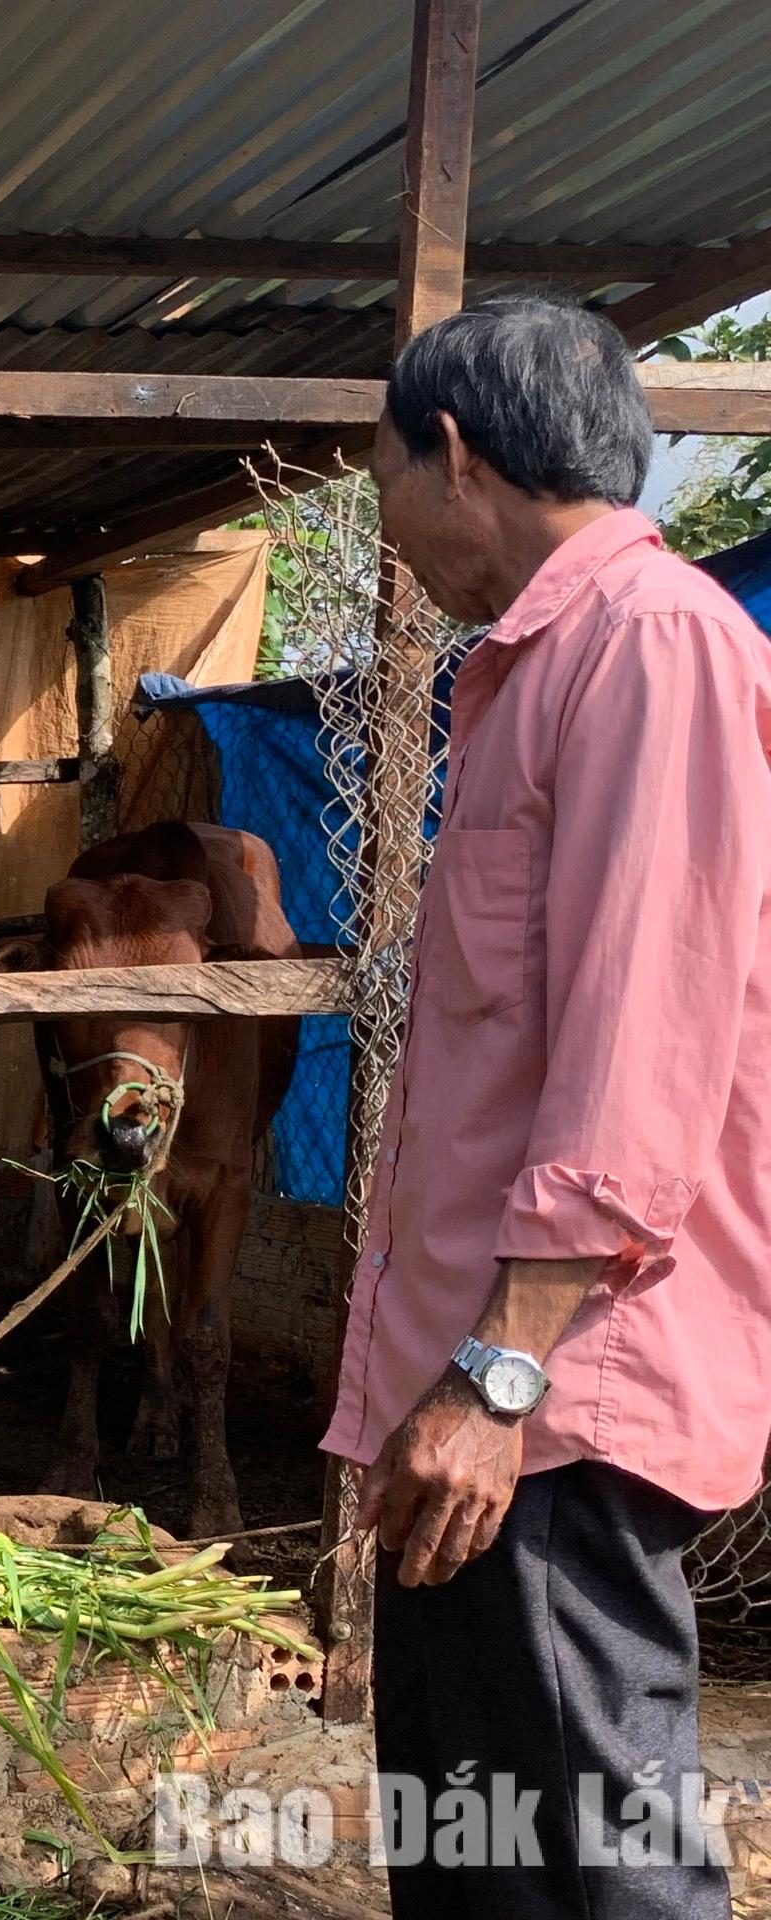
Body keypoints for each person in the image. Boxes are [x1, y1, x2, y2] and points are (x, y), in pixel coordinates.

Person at [327, 297, 771, 1917]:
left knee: (598, 1871)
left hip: (550, 1408)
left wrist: (501, 1376)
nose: (391, 540)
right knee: (476, 1856)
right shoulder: (531, 672)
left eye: (380, 486)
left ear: (451, 452)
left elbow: (639, 1051)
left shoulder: (651, 646)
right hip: (473, 1399)